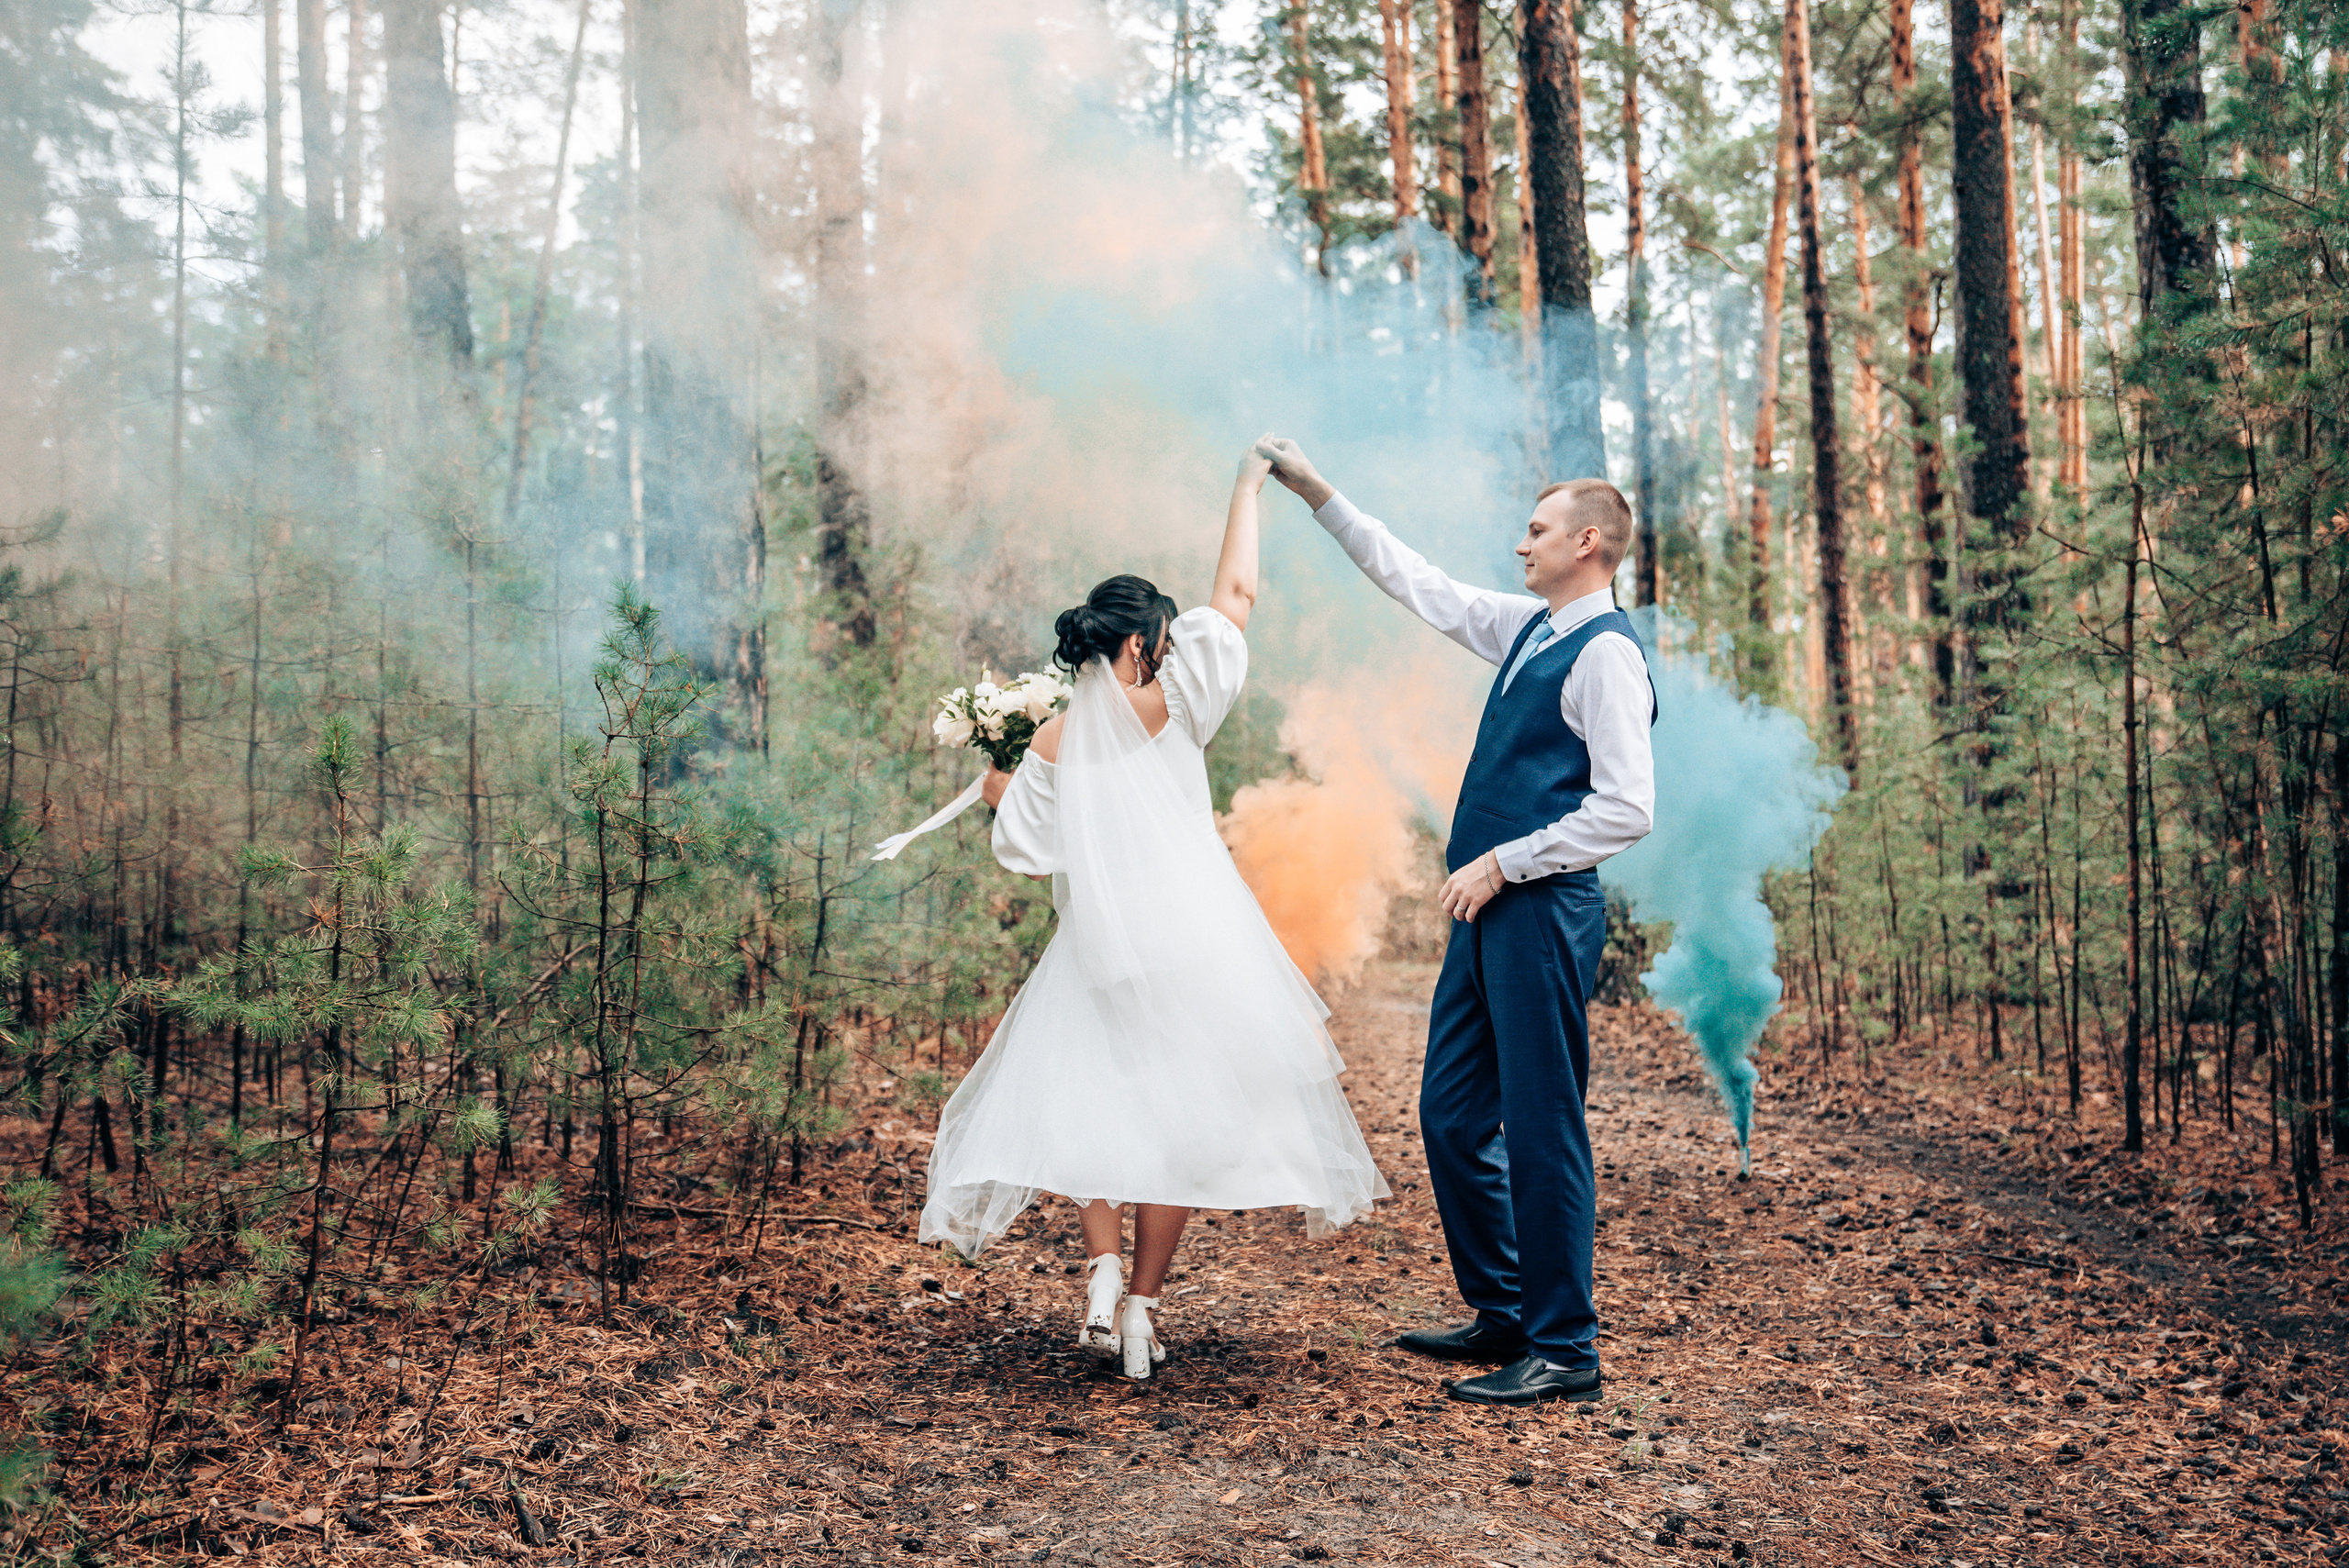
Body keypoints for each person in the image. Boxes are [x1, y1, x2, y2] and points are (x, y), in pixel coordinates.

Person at [918, 445, 1388, 1382]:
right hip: (1196, 940)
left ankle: (1097, 1269)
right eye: (1163, 633)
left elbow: (1026, 849)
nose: (1172, 643)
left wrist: (997, 786)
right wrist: (1248, 488)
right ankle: (1141, 1305)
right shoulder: (1181, 700)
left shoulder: (1052, 739)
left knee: (1098, 1099)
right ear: (1142, 644)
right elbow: (1240, 591)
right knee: (1175, 1119)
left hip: (1098, 945)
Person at [1254, 435, 1655, 1407]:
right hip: (1486, 910)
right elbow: (1417, 581)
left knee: (1544, 1126)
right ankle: (1507, 1310)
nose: (1522, 545)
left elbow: (1628, 807)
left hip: (1541, 910)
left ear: (1588, 541)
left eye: (1537, 529)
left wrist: (1503, 862)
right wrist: (1317, 492)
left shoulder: (1606, 656)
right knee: (1451, 1113)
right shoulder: (1534, 628)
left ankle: (1565, 1348)